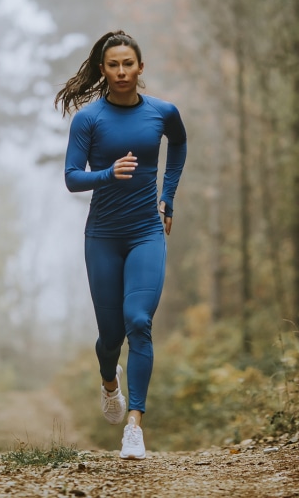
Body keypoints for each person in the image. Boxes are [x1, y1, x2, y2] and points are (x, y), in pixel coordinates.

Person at [55, 30, 188, 461]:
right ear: (103, 69)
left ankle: (134, 425)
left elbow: (180, 143)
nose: (121, 72)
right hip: (104, 237)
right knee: (111, 337)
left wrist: (167, 193)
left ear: (140, 67)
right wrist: (108, 174)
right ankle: (109, 381)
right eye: (113, 65)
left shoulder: (162, 113)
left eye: (128, 64)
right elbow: (73, 177)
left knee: (139, 321)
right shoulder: (88, 120)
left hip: (147, 232)